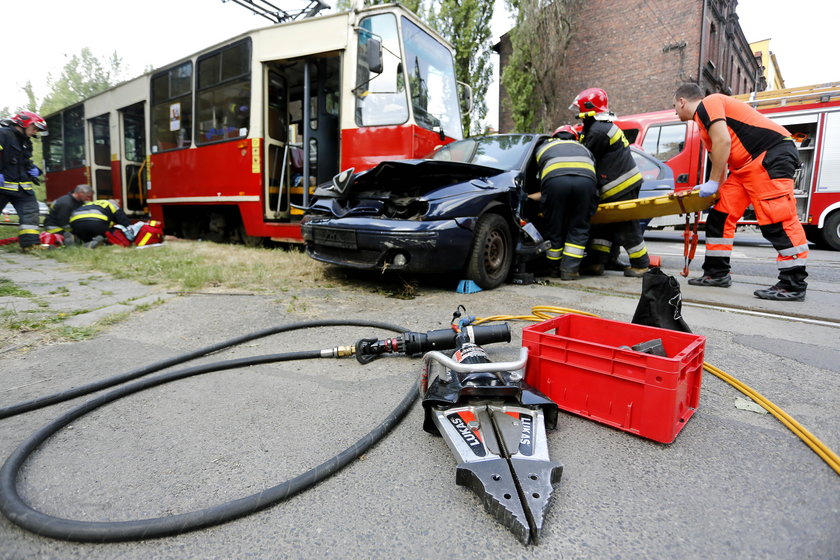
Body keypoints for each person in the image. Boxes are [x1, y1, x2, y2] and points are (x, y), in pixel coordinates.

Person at [673, 83, 809, 301]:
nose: (675, 111)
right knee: (720, 216)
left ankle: (793, 284)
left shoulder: (710, 102)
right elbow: (720, 153)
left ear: (682, 102)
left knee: (777, 219)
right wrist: (716, 185)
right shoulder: (702, 122)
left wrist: (714, 181)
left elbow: (723, 141)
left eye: (675, 106)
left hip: (769, 156)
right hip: (745, 168)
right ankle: (717, 274)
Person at [571, 88, 650, 277]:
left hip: (620, 185)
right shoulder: (601, 127)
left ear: (588, 109)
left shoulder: (597, 132)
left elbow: (586, 159)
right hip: (617, 184)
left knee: (626, 224)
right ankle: (596, 263)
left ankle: (641, 264)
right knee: (602, 225)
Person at [531, 125, 598, 280]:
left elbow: (535, 177)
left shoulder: (544, 147)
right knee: (579, 226)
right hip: (585, 183)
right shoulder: (584, 149)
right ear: (574, 137)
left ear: (554, 136)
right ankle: (570, 270)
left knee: (554, 226)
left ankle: (554, 269)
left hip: (555, 182)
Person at [0, 111, 47, 250]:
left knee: (31, 213)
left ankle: (30, 244)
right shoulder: (3, 134)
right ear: (24, 122)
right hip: (2, 186)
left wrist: (35, 170)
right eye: (35, 127)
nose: (36, 131)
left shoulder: (26, 142)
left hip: (22, 188)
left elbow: (24, 162)